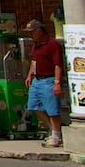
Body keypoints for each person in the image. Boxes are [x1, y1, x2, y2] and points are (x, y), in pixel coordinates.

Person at [24, 19, 65, 147]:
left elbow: (58, 65)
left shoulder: (53, 44)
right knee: (34, 106)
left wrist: (57, 83)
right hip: (37, 80)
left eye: (32, 32)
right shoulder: (35, 45)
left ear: (40, 31)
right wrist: (30, 74)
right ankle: (53, 129)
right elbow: (34, 61)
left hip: (49, 80)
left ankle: (56, 136)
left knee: (52, 109)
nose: (30, 35)